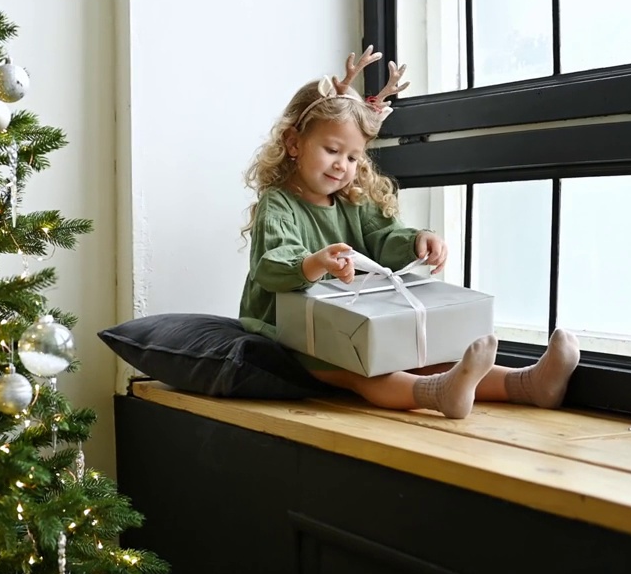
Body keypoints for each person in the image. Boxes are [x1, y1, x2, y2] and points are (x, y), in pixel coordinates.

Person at [238, 46, 580, 419]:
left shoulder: (353, 202)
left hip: (347, 323)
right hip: (290, 334)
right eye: (332, 150)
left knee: (423, 357)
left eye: (353, 157)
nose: (342, 166)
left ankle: (529, 383)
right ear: (293, 143)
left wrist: (416, 240)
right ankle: (436, 394)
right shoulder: (279, 203)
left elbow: (385, 237)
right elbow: (271, 265)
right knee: (363, 371)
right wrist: (314, 263)